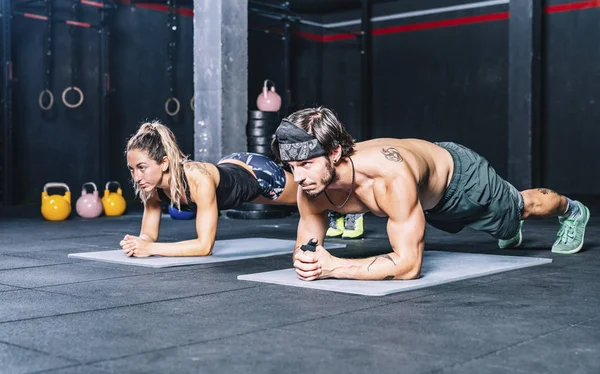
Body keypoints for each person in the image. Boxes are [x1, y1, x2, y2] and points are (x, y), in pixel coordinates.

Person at [271, 106, 591, 281]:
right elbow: (307, 252)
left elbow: (409, 267)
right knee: (503, 229)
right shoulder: (310, 186)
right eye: (291, 166)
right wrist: (308, 261)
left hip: (459, 180)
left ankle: (572, 210)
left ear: (335, 153)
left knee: (519, 207)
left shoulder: (389, 176)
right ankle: (508, 228)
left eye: (307, 163)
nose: (297, 177)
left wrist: (333, 267)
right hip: (425, 202)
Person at [120, 121, 298, 257]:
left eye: (142, 167)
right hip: (233, 174)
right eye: (132, 169)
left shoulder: (198, 180)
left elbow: (205, 247)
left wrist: (150, 248)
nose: (136, 177)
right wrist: (137, 243)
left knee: (310, 196)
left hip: (257, 173)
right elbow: (148, 234)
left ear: (164, 163)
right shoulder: (151, 186)